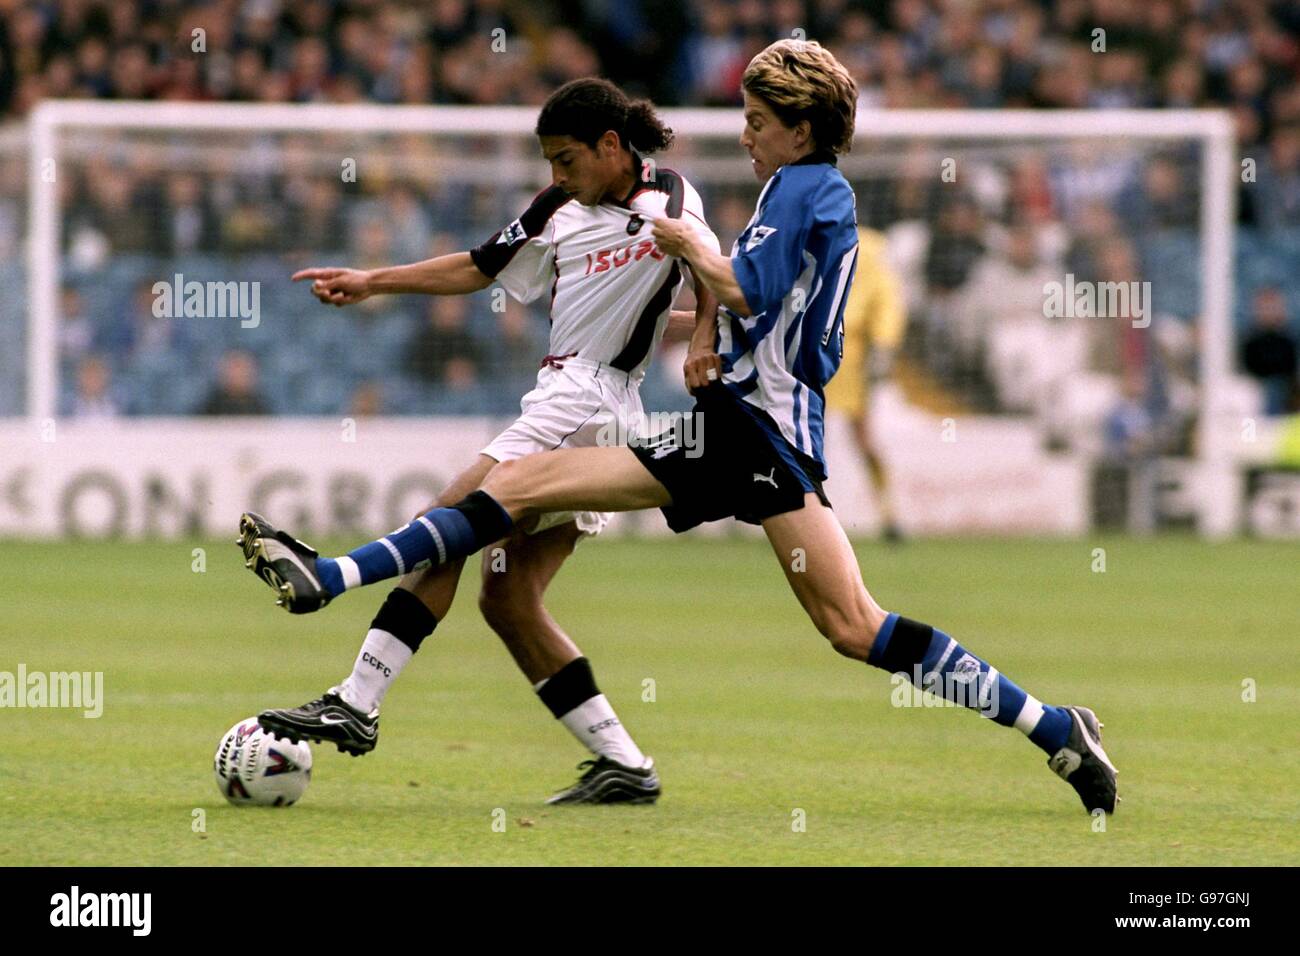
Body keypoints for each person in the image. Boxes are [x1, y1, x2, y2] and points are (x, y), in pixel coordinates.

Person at [242, 40, 1118, 815]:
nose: (746, 132)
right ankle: (1053, 726)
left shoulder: (798, 189)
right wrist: (700, 323)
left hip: (741, 429)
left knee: (507, 490)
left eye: (759, 119)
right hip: (766, 436)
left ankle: (333, 577)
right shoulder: (813, 191)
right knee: (853, 625)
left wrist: (689, 252)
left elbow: (746, 288)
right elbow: (747, 303)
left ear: (802, 129)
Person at [252, 78, 722, 805]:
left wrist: (708, 341)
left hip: (587, 396)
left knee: (454, 510)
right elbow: (479, 266)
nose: (555, 177)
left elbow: (712, 271)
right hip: (575, 394)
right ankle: (625, 765)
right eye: (549, 163)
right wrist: (375, 280)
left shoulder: (670, 203)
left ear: (609, 146)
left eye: (566, 160)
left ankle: (351, 666)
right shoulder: (559, 208)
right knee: (507, 597)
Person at [821, 226, 907, 541]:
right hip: (815, 351)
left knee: (856, 436)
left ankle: (889, 512)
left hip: (847, 354)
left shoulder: (869, 249)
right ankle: (790, 514)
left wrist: (884, 344)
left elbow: (887, 300)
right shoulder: (809, 236)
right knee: (804, 437)